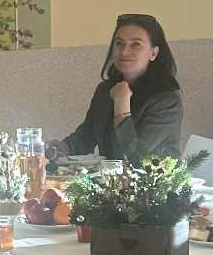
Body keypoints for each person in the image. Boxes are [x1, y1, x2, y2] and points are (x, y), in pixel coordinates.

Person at [53, 13, 182, 162]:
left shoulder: (166, 99)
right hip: (109, 175)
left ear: (153, 53)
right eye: (119, 43)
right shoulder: (106, 89)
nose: (124, 51)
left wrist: (121, 107)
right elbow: (88, 134)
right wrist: (64, 148)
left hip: (155, 177)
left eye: (136, 44)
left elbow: (136, 158)